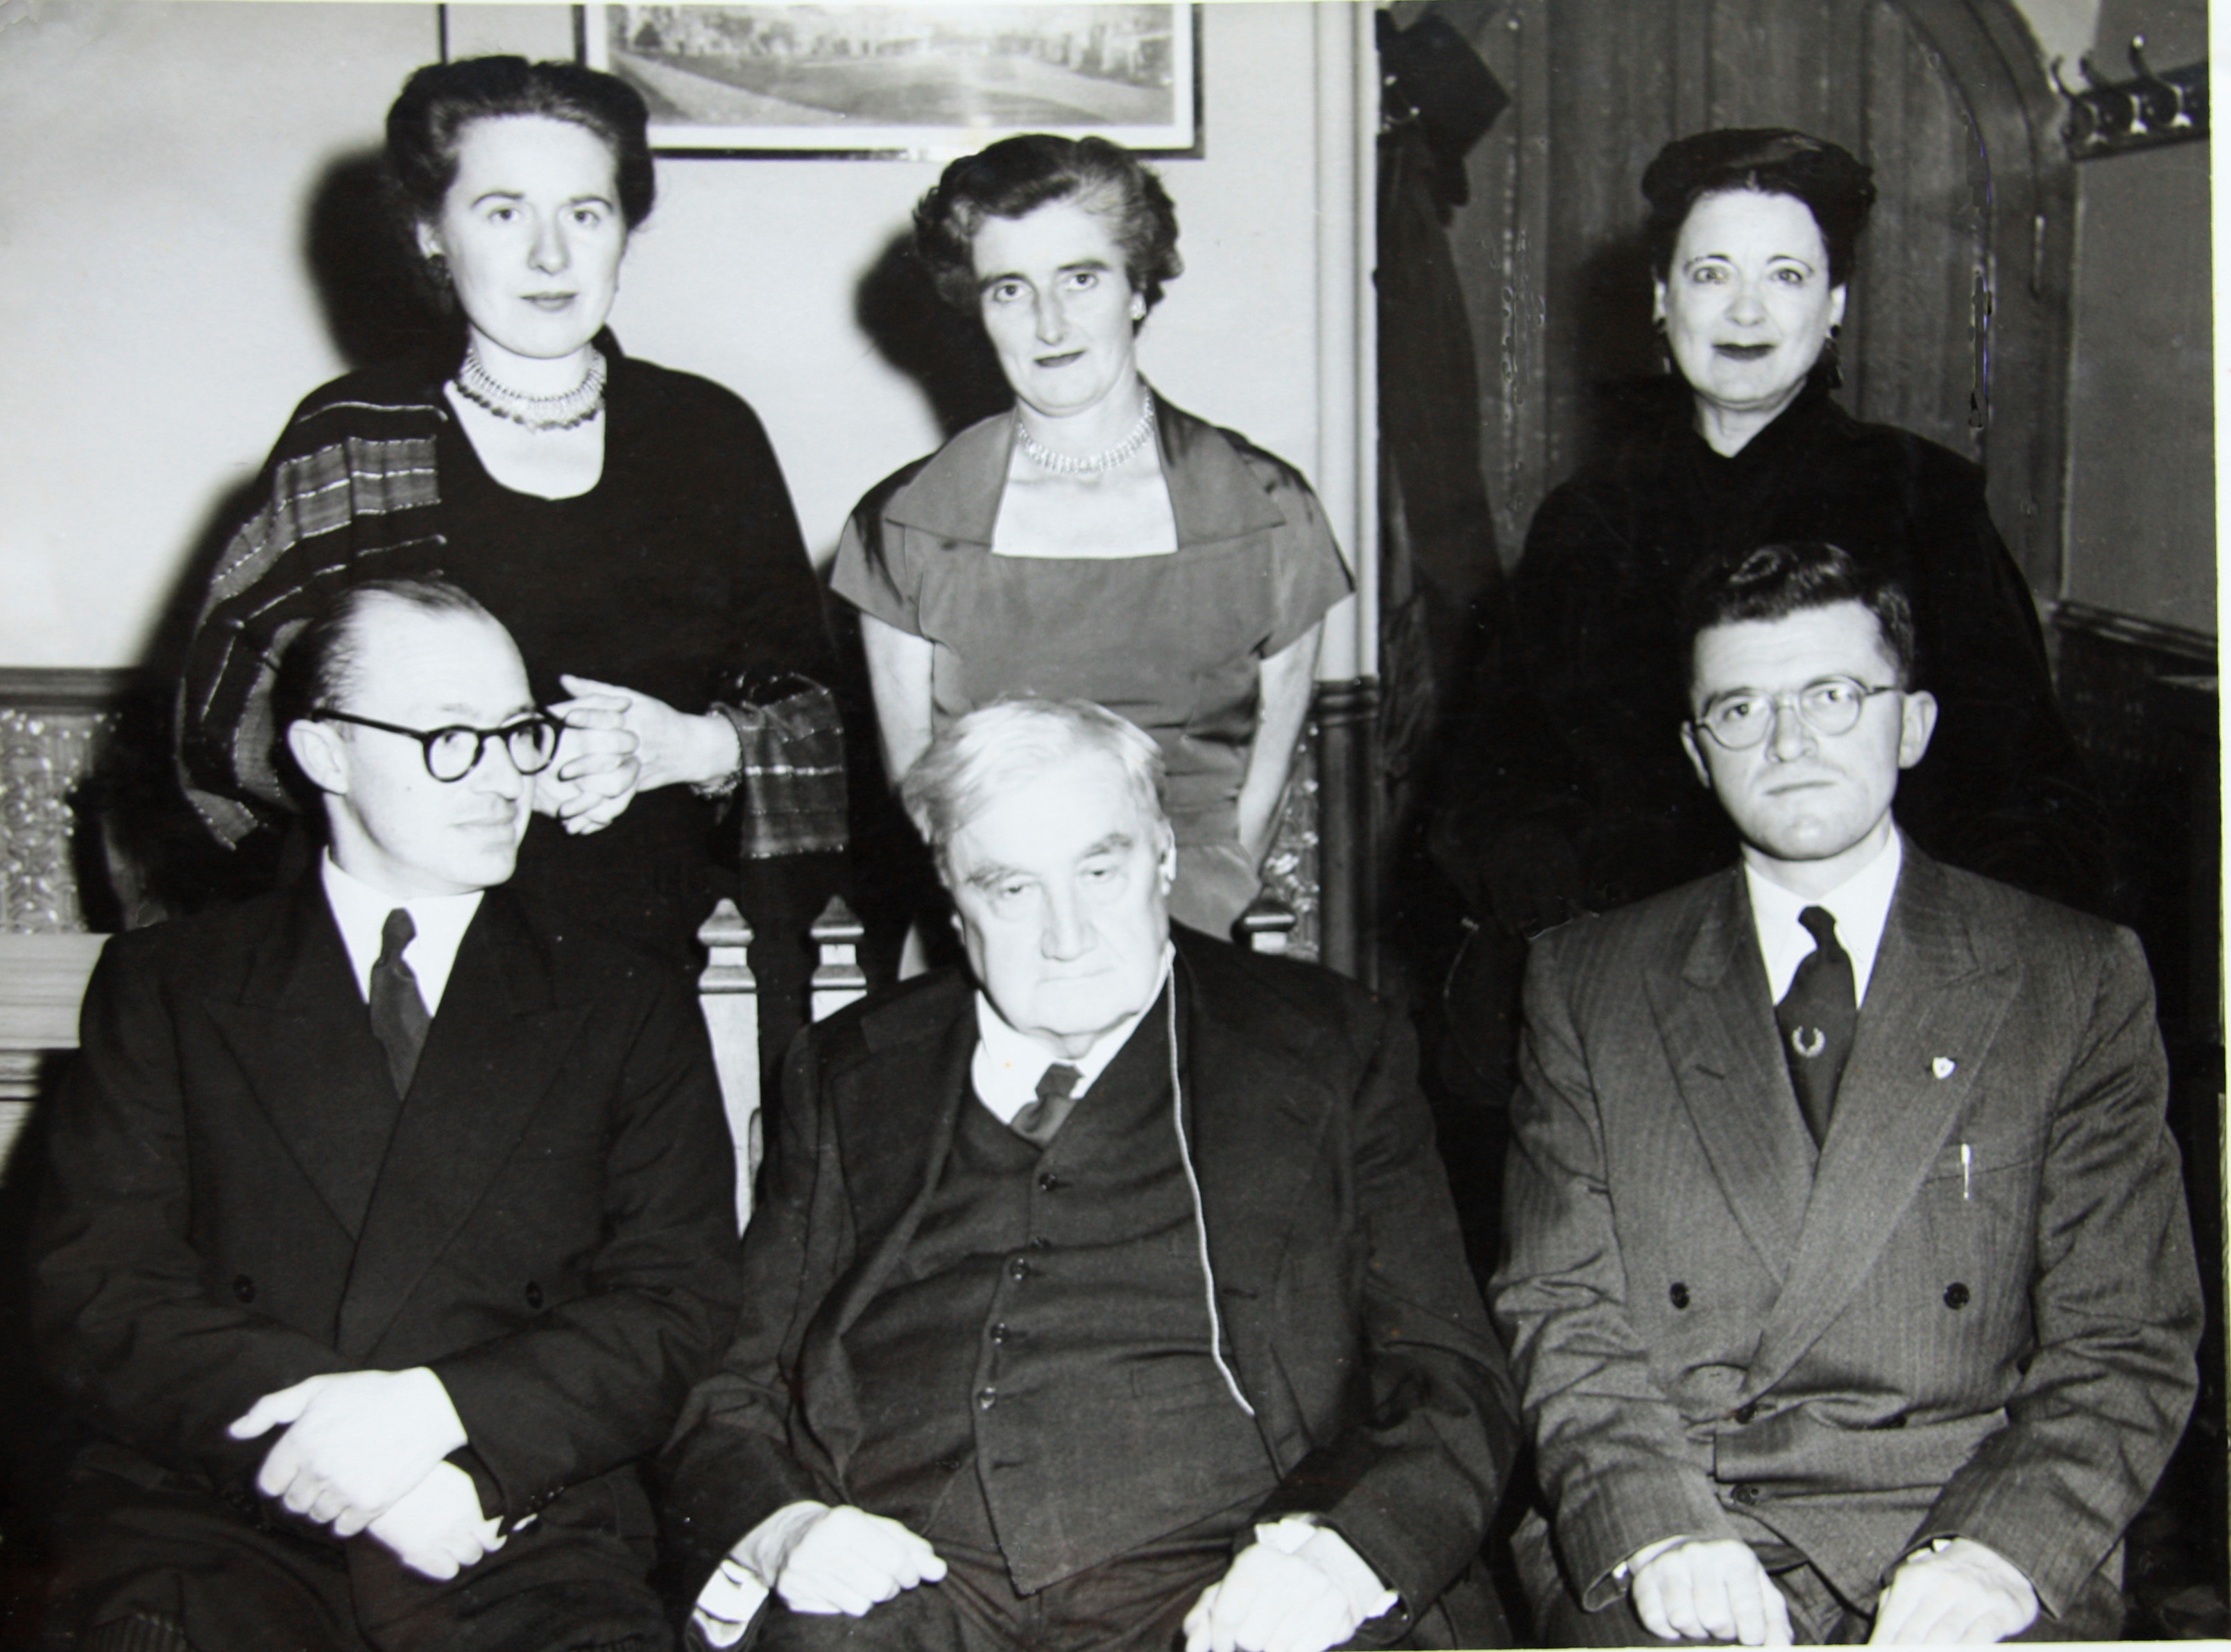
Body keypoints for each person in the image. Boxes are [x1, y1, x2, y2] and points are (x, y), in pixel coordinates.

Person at [658, 699, 1518, 1651]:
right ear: (952, 895)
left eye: (1100, 871)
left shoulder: (1329, 1045)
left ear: (1165, 857)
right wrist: (787, 1531)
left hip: (1234, 1572)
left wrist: (1339, 1560)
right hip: (907, 1578)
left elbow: (1452, 1374)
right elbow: (732, 1385)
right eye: (1012, 889)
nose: (1066, 935)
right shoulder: (847, 1068)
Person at [1490, 542, 2199, 1645]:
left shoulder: (2071, 976)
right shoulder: (1589, 981)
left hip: (1964, 1511)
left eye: (1831, 696)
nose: (1788, 743)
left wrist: (2000, 1552)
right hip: (1693, 1504)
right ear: (1696, 752)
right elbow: (1559, 1307)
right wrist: (1661, 1531)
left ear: (1910, 724)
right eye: (1741, 709)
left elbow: (2127, 1337)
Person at [35, 580, 744, 1651]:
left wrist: (441, 1424)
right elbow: (99, 1290)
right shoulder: (169, 983)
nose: (505, 777)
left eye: (519, 733)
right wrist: (359, 1465)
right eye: (453, 738)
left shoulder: (627, 999)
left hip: (515, 1519)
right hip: (221, 1517)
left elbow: (676, 1304)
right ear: (325, 753)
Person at [178, 56, 843, 1029]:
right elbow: (226, 736)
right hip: (414, 964)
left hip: (684, 963)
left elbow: (823, 725)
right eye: (502, 212)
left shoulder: (710, 432)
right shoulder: (348, 438)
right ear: (429, 230)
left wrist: (693, 746)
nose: (550, 256)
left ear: (626, 228)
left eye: (585, 213)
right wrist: (466, 764)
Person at [1435, 128, 2108, 1076]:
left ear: (1834, 305)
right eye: (1710, 273)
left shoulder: (1921, 498)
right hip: (1640, 998)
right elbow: (1496, 789)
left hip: (1874, 986)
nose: (1745, 309)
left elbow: (2022, 791)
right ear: (1662, 297)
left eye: (1786, 276)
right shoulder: (1587, 519)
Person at [833, 135, 1353, 940]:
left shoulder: (1268, 509)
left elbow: (1261, 794)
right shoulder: (905, 523)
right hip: (991, 922)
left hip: (1194, 927)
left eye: (1081, 279)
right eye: (1011, 290)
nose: (1051, 325)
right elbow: (921, 795)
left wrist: (1158, 934)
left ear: (1137, 287)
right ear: (978, 308)